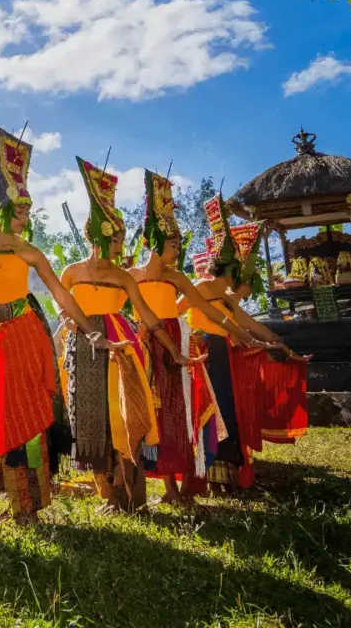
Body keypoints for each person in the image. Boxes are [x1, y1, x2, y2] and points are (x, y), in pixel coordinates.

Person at [0, 124, 104, 525]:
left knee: (29, 413)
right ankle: (15, 499)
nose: (25, 216)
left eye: (27, 210)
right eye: (19, 209)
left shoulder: (31, 251)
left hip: (23, 331)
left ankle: (30, 505)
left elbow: (59, 294)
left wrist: (89, 327)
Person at [60, 157, 192, 515]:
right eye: (115, 238)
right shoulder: (71, 273)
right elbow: (64, 310)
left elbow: (147, 317)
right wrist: (72, 331)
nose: (120, 245)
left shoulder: (124, 278)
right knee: (91, 417)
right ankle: (110, 496)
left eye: (121, 238)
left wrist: (173, 351)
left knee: (124, 417)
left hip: (121, 344)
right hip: (83, 346)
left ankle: (134, 499)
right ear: (96, 236)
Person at [129, 171, 267, 504]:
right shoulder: (130, 276)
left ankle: (174, 488)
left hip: (175, 341)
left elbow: (212, 310)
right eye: (173, 244)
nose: (177, 250)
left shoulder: (178, 277)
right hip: (142, 342)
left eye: (178, 244)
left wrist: (242, 336)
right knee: (147, 412)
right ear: (154, 242)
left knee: (177, 412)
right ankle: (138, 488)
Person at [192, 201, 310, 493]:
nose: (238, 279)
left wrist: (284, 347)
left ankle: (225, 473)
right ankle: (202, 473)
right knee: (204, 410)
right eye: (236, 272)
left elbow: (256, 327)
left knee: (226, 408)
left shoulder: (228, 301)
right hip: (198, 354)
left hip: (220, 355)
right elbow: (175, 309)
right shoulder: (198, 289)